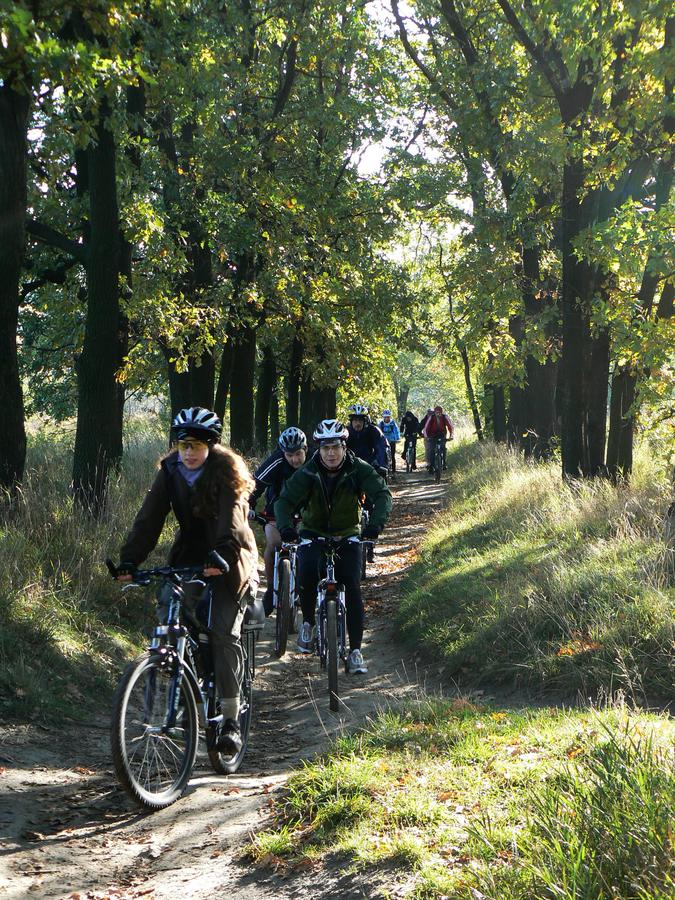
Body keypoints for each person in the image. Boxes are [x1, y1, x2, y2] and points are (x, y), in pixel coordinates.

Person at [115, 406, 258, 756]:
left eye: (196, 445)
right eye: (183, 445)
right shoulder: (171, 471)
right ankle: (182, 687)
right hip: (191, 556)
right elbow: (149, 518)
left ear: (211, 445)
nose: (189, 452)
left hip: (231, 557)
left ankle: (230, 719)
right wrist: (130, 559)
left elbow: (234, 522)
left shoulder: (227, 471)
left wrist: (221, 555)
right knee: (170, 613)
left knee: (222, 632)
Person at [274, 419, 392, 674]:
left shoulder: (358, 469)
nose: (330, 453)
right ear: (318, 449)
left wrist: (374, 526)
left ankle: (356, 651)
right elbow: (284, 502)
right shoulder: (307, 472)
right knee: (306, 571)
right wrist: (285, 528)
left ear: (344, 447)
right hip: (312, 531)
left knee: (352, 585)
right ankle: (308, 622)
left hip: (347, 532)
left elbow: (382, 494)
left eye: (335, 447)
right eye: (325, 448)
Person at [248, 427, 307, 614]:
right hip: (275, 512)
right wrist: (249, 505)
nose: (294, 459)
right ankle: (271, 589)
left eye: (298, 454)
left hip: (306, 512)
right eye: (289, 455)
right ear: (282, 452)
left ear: (305, 449)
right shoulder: (276, 461)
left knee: (309, 547)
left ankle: (305, 587)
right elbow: (254, 484)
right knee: (274, 543)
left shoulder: (315, 461)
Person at [346, 403, 388, 477]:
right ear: (351, 421)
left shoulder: (373, 430)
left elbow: (382, 447)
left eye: (360, 420)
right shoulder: (345, 432)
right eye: (355, 420)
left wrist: (382, 465)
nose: (358, 423)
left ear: (365, 421)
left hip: (369, 465)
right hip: (349, 467)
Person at [422, 405, 454, 471]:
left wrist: (451, 436)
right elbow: (426, 428)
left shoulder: (445, 417)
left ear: (442, 412)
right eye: (437, 412)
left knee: (443, 448)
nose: (438, 414)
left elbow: (450, 427)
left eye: (439, 412)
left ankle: (444, 464)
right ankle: (431, 466)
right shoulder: (431, 417)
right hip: (432, 435)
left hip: (442, 434)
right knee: (431, 450)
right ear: (435, 412)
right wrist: (426, 437)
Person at [378, 410, 401, 474]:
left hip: (392, 441)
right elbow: (378, 432)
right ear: (383, 417)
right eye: (385, 417)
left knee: (392, 456)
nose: (387, 418)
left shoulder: (393, 423)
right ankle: (384, 468)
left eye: (388, 417)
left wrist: (397, 438)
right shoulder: (381, 424)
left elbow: (396, 431)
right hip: (384, 442)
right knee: (383, 454)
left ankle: (394, 470)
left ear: (390, 417)